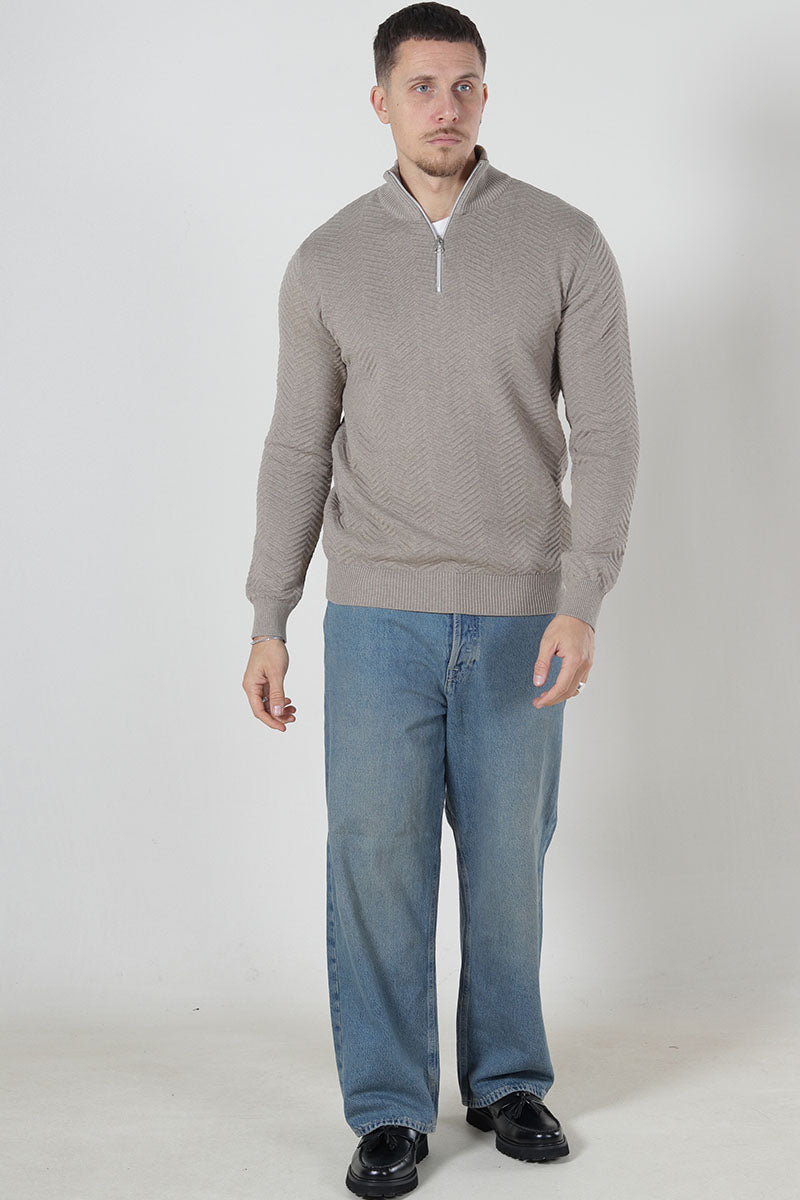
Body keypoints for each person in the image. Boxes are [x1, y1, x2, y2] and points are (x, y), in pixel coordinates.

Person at [242, 4, 639, 1194]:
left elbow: (606, 434)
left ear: (484, 96)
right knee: (374, 861)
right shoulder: (325, 260)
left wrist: (581, 595)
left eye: (464, 84)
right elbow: (295, 448)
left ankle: (508, 1081)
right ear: (380, 101)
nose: (445, 106)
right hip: (374, 617)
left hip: (522, 613)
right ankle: (386, 1108)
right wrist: (268, 614)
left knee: (508, 863)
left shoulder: (563, 241)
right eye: (421, 86)